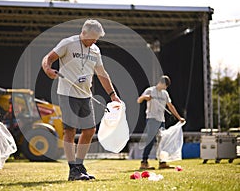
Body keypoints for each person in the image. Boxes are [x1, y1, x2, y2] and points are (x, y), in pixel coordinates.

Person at [42, 19, 120, 181]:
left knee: (90, 130)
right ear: (83, 33)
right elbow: (48, 58)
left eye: (97, 39)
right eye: (92, 38)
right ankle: (73, 169)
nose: (94, 41)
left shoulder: (95, 50)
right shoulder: (68, 43)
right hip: (67, 93)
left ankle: (79, 165)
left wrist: (112, 94)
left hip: (85, 95)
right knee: (70, 131)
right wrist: (48, 69)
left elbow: (102, 74)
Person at [137, 75, 185, 170]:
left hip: (161, 120)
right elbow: (139, 100)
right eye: (166, 85)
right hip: (151, 119)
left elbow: (170, 106)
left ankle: (162, 162)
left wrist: (179, 118)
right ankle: (144, 162)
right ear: (162, 83)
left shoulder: (165, 94)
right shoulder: (150, 90)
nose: (166, 88)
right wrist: (146, 97)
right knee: (150, 140)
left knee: (162, 142)